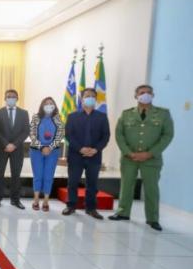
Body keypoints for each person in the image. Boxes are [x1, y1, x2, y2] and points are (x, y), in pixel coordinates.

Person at [109, 84, 174, 231]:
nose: (146, 95)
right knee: (126, 186)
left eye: (149, 92)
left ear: (153, 95)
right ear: (136, 96)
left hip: (151, 159)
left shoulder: (163, 114)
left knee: (151, 189)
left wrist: (150, 153)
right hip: (129, 158)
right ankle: (123, 212)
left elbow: (167, 135)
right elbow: (119, 135)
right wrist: (128, 152)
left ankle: (152, 218)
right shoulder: (126, 114)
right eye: (142, 92)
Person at [63, 88, 110, 219]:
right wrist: (80, 149)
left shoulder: (102, 117)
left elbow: (106, 136)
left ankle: (91, 208)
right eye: (87, 96)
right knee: (73, 182)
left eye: (92, 96)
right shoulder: (72, 117)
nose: (90, 98)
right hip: (76, 155)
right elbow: (68, 135)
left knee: (92, 184)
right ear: (82, 99)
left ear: (96, 99)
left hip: (94, 156)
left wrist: (96, 149)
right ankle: (71, 205)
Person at [0, 89, 29, 209]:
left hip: (17, 149)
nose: (11, 98)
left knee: (16, 175)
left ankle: (15, 199)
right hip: (1, 149)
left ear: (17, 98)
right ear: (5, 98)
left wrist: (14, 144)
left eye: (13, 96)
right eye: (8, 96)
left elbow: (26, 131)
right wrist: (5, 144)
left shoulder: (24, 113)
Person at [29, 97, 64, 212]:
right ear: (42, 105)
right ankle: (36, 200)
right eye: (46, 103)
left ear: (54, 106)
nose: (49, 105)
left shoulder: (58, 118)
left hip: (53, 151)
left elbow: (60, 135)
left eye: (51, 104)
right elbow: (32, 134)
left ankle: (46, 200)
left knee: (48, 176)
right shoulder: (35, 117)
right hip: (36, 151)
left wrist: (50, 147)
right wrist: (41, 147)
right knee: (38, 176)